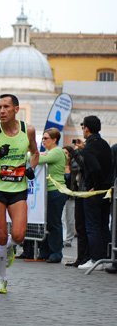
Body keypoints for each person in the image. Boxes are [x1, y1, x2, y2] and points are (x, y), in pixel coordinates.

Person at [0, 94, 39, 294]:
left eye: (6, 107)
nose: (1, 111)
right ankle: (2, 279)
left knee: (18, 236)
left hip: (18, 188)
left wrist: (32, 169)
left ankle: (10, 247)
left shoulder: (27, 130)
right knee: (1, 236)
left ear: (16, 109)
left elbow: (35, 153)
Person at [74, 116, 112, 271]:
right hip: (107, 191)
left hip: (93, 192)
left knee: (92, 226)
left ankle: (95, 259)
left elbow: (95, 168)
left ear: (87, 129)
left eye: (83, 127)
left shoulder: (90, 147)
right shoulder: (104, 144)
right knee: (103, 225)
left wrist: (95, 186)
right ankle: (107, 258)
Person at [37, 128, 68, 263]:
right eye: (43, 138)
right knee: (47, 223)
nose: (43, 141)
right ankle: (45, 251)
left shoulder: (57, 151)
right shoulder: (49, 152)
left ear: (54, 140)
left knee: (54, 223)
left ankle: (56, 253)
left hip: (56, 191)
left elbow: (36, 160)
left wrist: (34, 155)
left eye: (46, 138)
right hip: (48, 191)